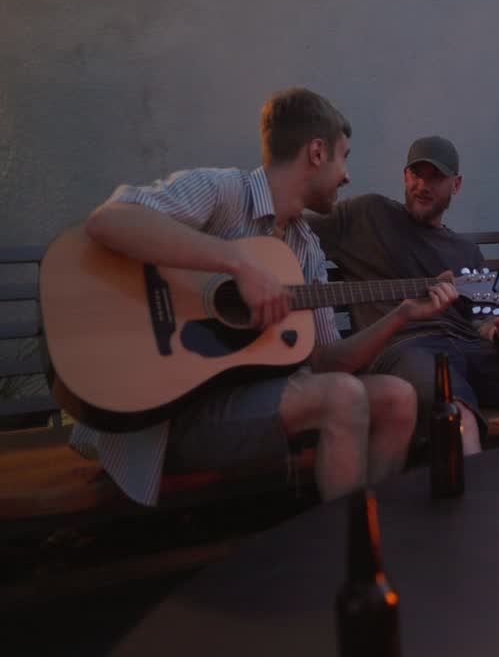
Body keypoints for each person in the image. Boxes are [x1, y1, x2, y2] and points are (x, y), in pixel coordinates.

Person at [69, 87, 449, 506]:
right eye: (345, 157)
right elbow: (109, 221)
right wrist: (237, 263)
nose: (347, 175)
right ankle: (344, 558)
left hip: (253, 403)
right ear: (317, 153)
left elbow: (324, 359)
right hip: (167, 415)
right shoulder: (224, 192)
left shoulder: (306, 247)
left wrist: (400, 316)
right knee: (344, 396)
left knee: (398, 398)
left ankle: (375, 539)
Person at [308, 136, 499, 455]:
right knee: (457, 415)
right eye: (416, 174)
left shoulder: (465, 251)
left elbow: (483, 322)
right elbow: (293, 227)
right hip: (404, 347)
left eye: (436, 177)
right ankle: (472, 503)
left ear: (456, 185)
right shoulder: (368, 215)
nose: (423, 184)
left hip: (469, 348)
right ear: (405, 176)